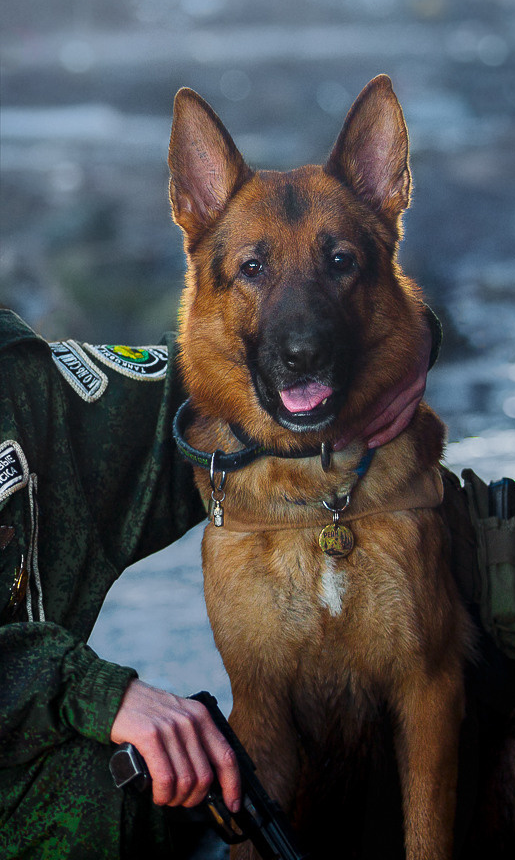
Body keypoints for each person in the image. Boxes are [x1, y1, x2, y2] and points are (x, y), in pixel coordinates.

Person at [0, 305, 438, 859]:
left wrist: (395, 330)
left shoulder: (25, 389)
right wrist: (91, 692)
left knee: (121, 779)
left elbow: (220, 383)